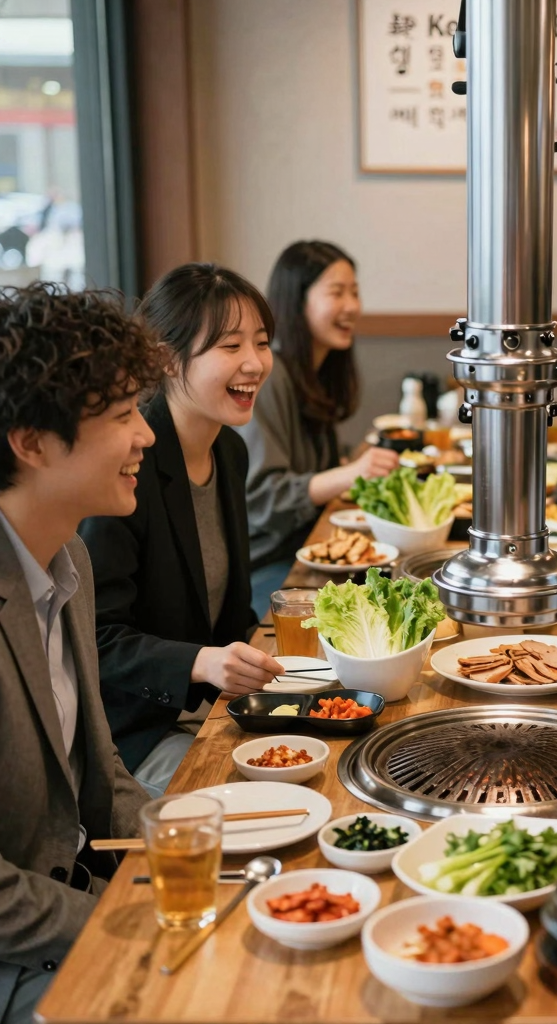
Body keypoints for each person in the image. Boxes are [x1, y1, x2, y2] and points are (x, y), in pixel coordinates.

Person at [0, 283, 162, 1024]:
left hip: (79, 901)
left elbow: (100, 772)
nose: (147, 436)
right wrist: (116, 921)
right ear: (31, 442)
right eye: (125, 415)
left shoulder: (68, 556)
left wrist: (187, 840)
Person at [80, 264, 283, 795]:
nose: (254, 363)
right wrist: (200, 662)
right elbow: (95, 637)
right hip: (140, 734)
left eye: (261, 343)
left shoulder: (228, 450)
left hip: (217, 712)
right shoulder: (129, 466)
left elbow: (230, 613)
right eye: (230, 345)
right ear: (168, 359)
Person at [236, 241, 398, 614]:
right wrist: (353, 472)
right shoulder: (270, 376)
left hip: (304, 549)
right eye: (337, 292)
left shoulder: (313, 372)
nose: (352, 306)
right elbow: (264, 497)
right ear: (297, 300)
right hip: (270, 567)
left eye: (355, 292)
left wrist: (351, 466)